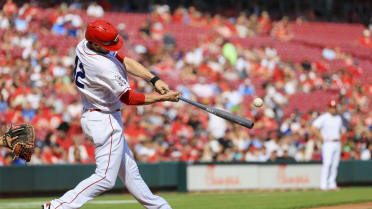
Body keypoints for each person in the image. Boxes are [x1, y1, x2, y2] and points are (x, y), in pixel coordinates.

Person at [42, 19, 180, 209]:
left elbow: (124, 60)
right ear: (96, 43)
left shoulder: (84, 45)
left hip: (97, 114)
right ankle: (58, 206)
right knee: (105, 178)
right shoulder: (101, 65)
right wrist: (162, 98)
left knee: (131, 174)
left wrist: (153, 79)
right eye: (107, 44)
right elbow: (128, 98)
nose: (112, 47)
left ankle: (161, 207)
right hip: (104, 118)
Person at [312, 100, 344, 191]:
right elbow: (314, 127)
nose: (333, 109)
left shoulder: (338, 118)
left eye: (334, 107)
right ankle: (324, 184)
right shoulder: (324, 117)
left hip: (336, 142)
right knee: (327, 163)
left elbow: (342, 130)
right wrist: (321, 137)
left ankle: (332, 184)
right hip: (328, 143)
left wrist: (339, 138)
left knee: (335, 164)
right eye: (331, 107)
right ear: (328, 108)